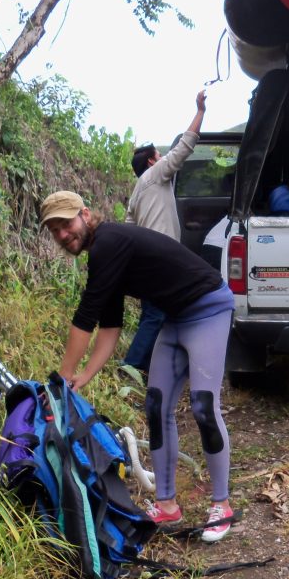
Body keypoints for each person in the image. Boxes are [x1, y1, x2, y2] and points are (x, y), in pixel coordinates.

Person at [40, 189, 237, 542]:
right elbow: (109, 325)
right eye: (55, 230)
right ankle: (167, 505)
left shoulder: (108, 242)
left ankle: (222, 505)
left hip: (208, 308)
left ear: (85, 215)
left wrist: (64, 375)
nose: (63, 234)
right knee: (156, 405)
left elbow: (85, 316)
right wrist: (83, 377)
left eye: (66, 224)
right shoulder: (105, 254)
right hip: (176, 318)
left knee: (203, 406)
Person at [119, 90, 207, 381]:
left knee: (160, 314)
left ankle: (149, 369)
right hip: (160, 262)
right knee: (156, 315)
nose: (163, 158)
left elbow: (128, 230)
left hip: (147, 264)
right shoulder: (156, 175)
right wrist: (200, 111)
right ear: (151, 162)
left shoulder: (137, 193)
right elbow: (186, 145)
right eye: (159, 155)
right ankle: (130, 368)